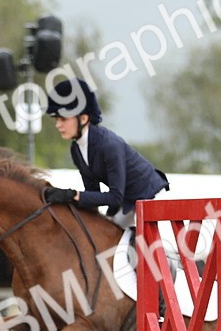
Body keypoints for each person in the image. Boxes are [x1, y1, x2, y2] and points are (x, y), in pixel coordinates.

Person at [42, 78, 169, 230]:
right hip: (126, 201)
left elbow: (115, 196)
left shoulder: (109, 145)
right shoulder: (76, 150)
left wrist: (73, 195)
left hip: (150, 196)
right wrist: (68, 200)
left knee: (119, 239)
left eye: (63, 119)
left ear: (83, 118)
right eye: (56, 119)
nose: (58, 125)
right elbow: (93, 194)